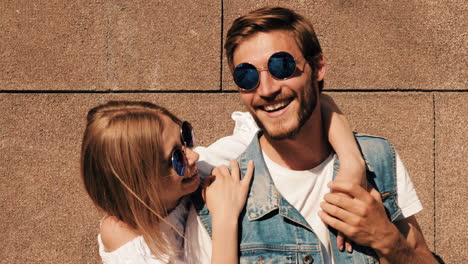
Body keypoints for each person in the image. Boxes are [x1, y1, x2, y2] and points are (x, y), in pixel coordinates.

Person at [186, 6, 438, 264]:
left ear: (318, 67)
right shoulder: (218, 192)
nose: (267, 89)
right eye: (247, 76)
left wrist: (387, 240)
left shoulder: (377, 158)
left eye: (281, 66)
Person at [80, 101, 254, 264]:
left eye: (185, 138)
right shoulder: (122, 234)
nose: (193, 156)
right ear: (138, 185)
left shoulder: (196, 170)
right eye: (176, 158)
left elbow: (248, 136)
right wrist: (225, 216)